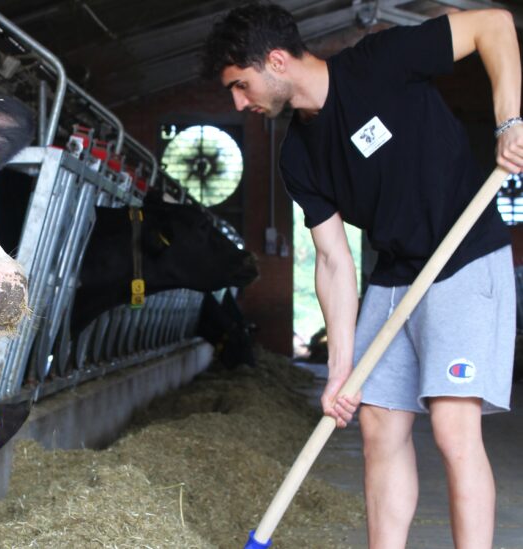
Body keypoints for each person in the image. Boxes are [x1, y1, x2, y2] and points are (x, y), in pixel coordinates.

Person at [204, 3, 522, 548]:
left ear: (276, 61)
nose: (239, 102)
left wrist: (510, 122)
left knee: (452, 428)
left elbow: (493, 24)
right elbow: (332, 260)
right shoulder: (298, 156)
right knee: (378, 428)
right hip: (397, 274)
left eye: (241, 84)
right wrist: (340, 369)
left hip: (464, 255)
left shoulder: (378, 63)